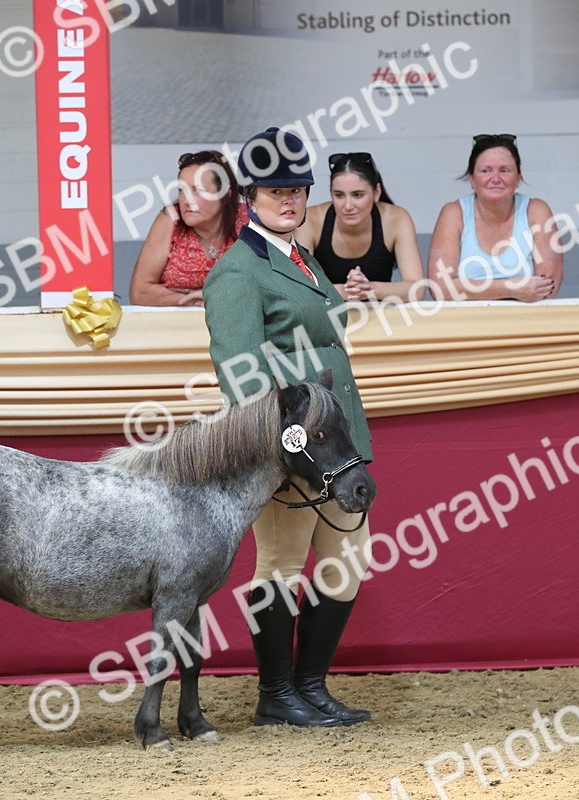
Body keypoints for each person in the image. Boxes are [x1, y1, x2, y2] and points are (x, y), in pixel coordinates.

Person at [202, 127, 373, 728]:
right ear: (249, 196)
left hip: (336, 440)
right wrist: (288, 448)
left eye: (299, 190)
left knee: (347, 561)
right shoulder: (237, 272)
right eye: (277, 191)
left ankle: (310, 686)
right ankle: (276, 694)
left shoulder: (301, 257)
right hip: (293, 446)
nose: (291, 200)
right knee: (281, 562)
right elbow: (240, 374)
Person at [427, 134, 563, 301]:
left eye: (504, 170)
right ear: (471, 178)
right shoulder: (454, 213)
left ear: (519, 178)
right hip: (467, 323)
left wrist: (468, 288)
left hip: (525, 323)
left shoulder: (536, 210)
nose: (496, 179)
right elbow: (440, 289)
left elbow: (547, 287)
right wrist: (513, 289)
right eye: (486, 171)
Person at [297, 152, 425, 301]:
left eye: (357, 195)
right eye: (339, 195)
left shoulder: (396, 219)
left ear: (376, 192)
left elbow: (417, 289)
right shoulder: (311, 220)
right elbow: (299, 289)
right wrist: (347, 291)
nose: (348, 206)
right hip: (326, 319)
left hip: (380, 318)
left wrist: (371, 288)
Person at [128, 150, 247, 306]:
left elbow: (272, 285)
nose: (187, 200)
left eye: (198, 190)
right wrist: (195, 299)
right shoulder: (170, 219)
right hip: (178, 325)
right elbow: (139, 293)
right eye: (182, 190)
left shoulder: (247, 220)